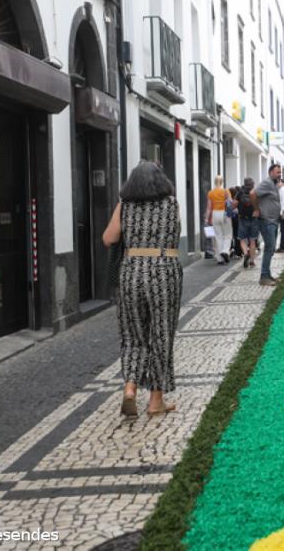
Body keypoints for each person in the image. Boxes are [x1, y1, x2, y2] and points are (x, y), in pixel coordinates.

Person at [102, 161, 183, 417]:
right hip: (163, 270)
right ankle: (156, 401)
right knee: (160, 334)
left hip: (131, 271)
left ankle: (130, 390)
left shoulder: (124, 205)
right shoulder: (171, 203)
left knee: (132, 334)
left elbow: (108, 238)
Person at [253, 164, 283, 285]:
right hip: (266, 221)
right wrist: (256, 209)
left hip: (273, 220)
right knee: (269, 248)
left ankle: (268, 275)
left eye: (280, 172)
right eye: (277, 172)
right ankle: (264, 277)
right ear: (271, 172)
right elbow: (252, 194)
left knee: (271, 248)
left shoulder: (273, 184)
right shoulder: (267, 182)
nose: (279, 174)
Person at [205, 175, 233, 265]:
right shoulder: (226, 191)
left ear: (214, 181)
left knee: (218, 236)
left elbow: (209, 207)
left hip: (215, 214)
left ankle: (220, 259)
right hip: (224, 214)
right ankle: (225, 251)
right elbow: (230, 203)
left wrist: (206, 218)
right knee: (228, 235)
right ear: (222, 181)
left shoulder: (211, 193)